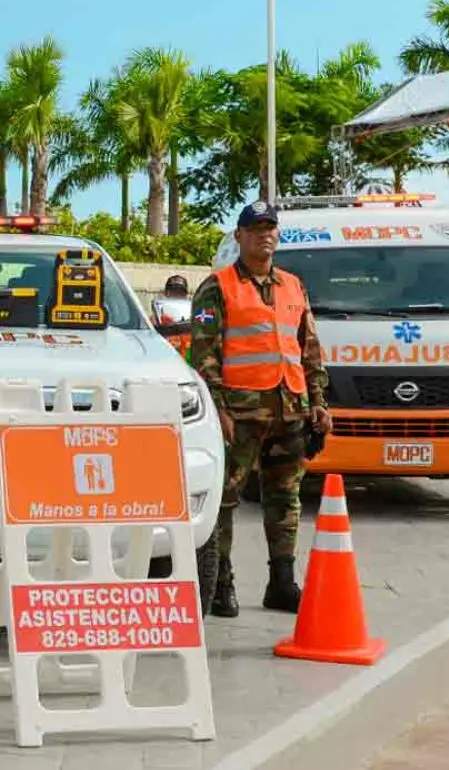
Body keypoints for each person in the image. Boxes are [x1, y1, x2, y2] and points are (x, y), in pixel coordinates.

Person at [187, 200, 331, 618]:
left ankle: (282, 583)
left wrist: (319, 403)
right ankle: (221, 586)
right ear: (240, 236)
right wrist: (217, 409)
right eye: (256, 228)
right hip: (240, 413)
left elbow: (310, 349)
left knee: (286, 499)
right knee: (225, 499)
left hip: (290, 410)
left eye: (271, 228)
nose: (265, 235)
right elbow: (204, 354)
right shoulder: (218, 286)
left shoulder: (292, 285)